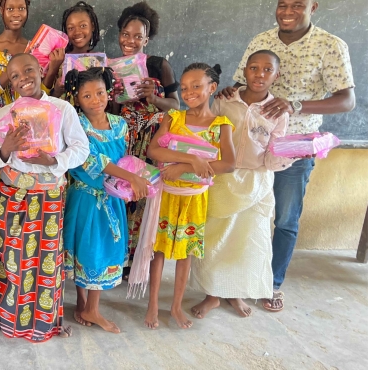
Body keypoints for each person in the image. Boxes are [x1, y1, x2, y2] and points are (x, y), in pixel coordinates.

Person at [217, 0, 355, 312]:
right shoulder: (261, 41)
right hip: (250, 146)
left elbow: (347, 101)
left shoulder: (330, 45)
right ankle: (236, 281)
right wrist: (228, 92)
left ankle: (272, 282)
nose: (287, 11)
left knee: (285, 219)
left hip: (293, 147)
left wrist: (296, 105)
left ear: (313, 6)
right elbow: (243, 82)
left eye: (297, 4)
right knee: (242, 213)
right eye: (282, 4)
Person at [0, 53, 90, 342]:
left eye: (29, 70)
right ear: (10, 82)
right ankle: (9, 320)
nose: (24, 79)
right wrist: (6, 149)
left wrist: (55, 161)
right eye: (16, 76)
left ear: (41, 70)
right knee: (11, 256)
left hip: (48, 194)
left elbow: (81, 148)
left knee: (45, 258)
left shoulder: (61, 109)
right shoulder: (3, 115)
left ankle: (46, 322)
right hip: (12, 193)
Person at [191, 50, 293, 319]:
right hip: (222, 179)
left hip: (257, 182)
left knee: (247, 242)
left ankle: (235, 293)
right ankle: (212, 295)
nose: (259, 75)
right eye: (254, 68)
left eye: (267, 70)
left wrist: (290, 153)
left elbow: (272, 157)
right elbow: (207, 136)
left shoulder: (278, 112)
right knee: (216, 238)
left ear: (276, 75)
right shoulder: (224, 101)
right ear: (244, 71)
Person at [135, 63, 235, 330]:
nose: (189, 92)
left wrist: (184, 167)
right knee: (158, 251)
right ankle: (153, 304)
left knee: (185, 253)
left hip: (194, 198)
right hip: (167, 195)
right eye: (185, 87)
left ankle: (176, 307)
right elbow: (155, 151)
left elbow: (229, 164)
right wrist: (190, 159)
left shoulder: (221, 125)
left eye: (197, 86)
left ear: (212, 88)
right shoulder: (174, 118)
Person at [62, 67, 151, 332]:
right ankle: (83, 303)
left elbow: (122, 158)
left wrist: (128, 183)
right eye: (86, 95)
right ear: (76, 99)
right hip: (86, 199)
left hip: (111, 198)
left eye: (100, 92)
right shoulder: (76, 124)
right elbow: (89, 161)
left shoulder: (120, 124)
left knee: (99, 250)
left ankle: (91, 307)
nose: (95, 100)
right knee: (86, 248)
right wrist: (129, 177)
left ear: (109, 92)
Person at [113, 2, 180, 280]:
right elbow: (110, 112)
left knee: (145, 199)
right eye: (126, 35)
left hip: (151, 143)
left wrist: (153, 98)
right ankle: (120, 260)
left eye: (138, 36)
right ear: (119, 35)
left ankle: (138, 260)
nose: (131, 41)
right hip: (125, 141)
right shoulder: (111, 66)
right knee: (122, 197)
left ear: (146, 39)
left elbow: (176, 107)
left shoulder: (157, 65)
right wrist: (116, 96)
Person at [45, 1, 102, 96]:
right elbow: (43, 97)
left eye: (83, 26)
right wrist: (53, 70)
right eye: (71, 28)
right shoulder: (58, 58)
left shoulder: (100, 61)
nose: (77, 32)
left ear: (92, 26)